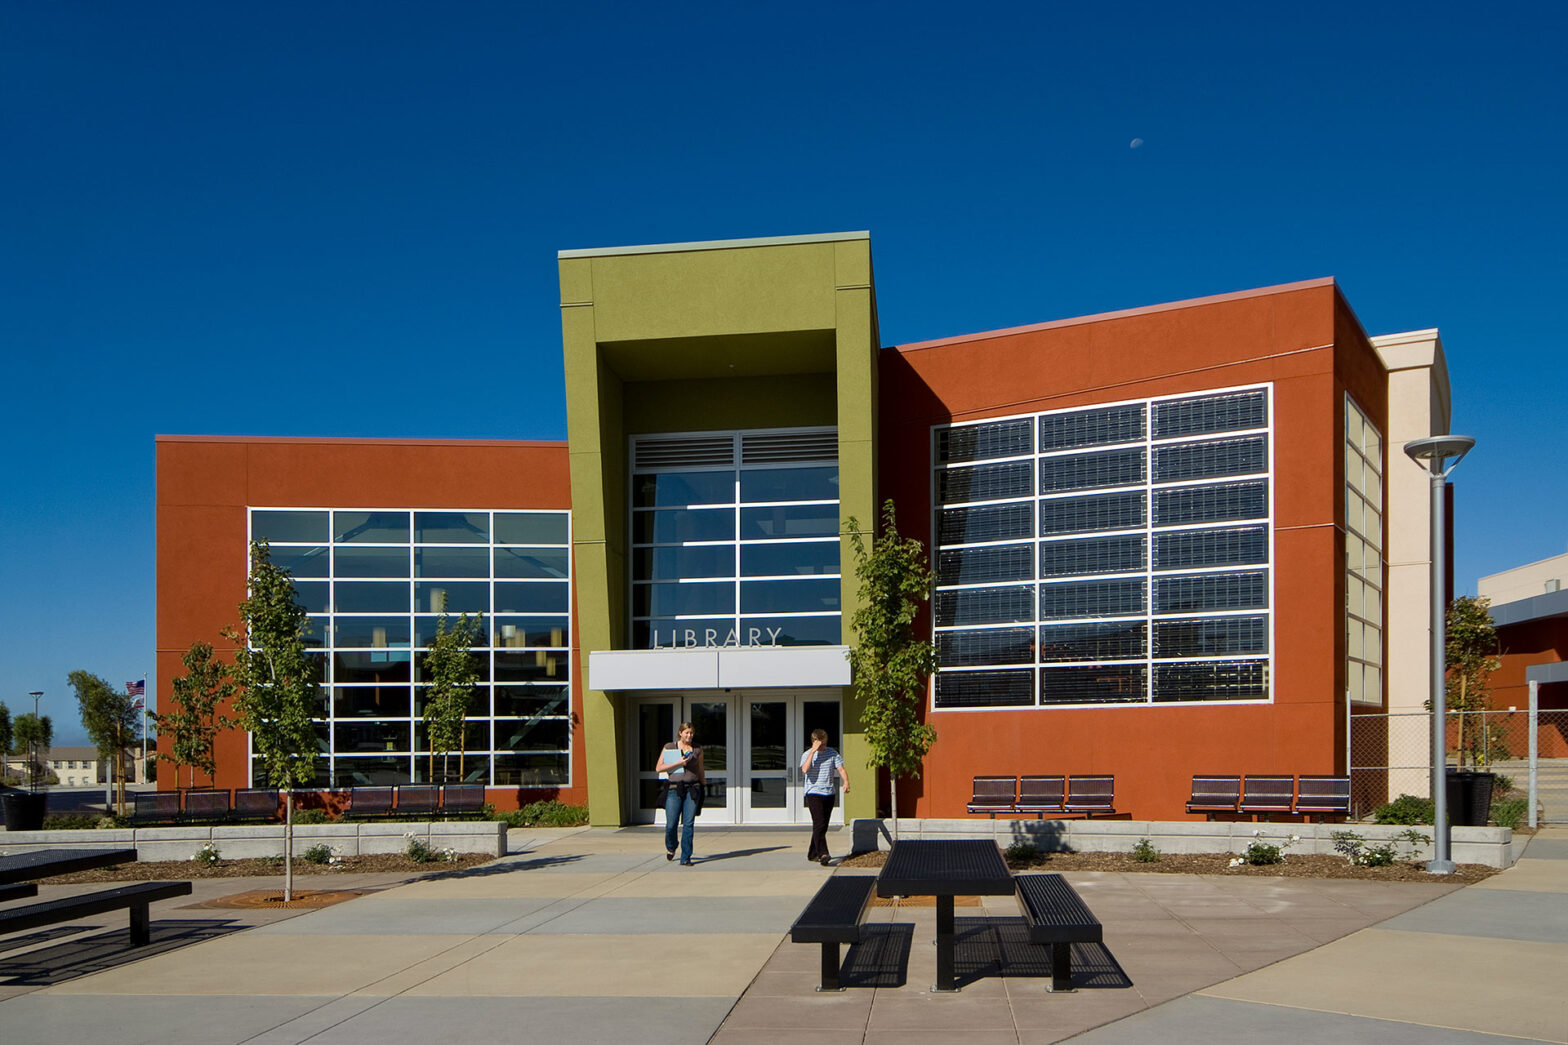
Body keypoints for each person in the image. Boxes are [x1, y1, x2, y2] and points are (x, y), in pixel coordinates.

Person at [655, 722, 704, 865]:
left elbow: (700, 769)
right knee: (671, 824)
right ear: (680, 733)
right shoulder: (669, 747)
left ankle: (686, 857)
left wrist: (703, 785)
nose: (689, 736)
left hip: (692, 789)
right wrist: (678, 763)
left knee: (688, 824)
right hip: (674, 789)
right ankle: (671, 846)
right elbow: (659, 768)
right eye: (686, 733)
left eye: (691, 733)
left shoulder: (697, 749)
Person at [800, 728, 849, 865]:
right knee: (819, 823)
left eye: (824, 743)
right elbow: (804, 769)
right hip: (813, 793)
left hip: (829, 793)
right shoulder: (807, 755)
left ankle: (812, 853)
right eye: (820, 744)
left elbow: (841, 769)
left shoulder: (832, 753)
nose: (823, 747)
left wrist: (846, 782)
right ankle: (823, 853)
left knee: (822, 825)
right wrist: (813, 752)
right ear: (814, 742)